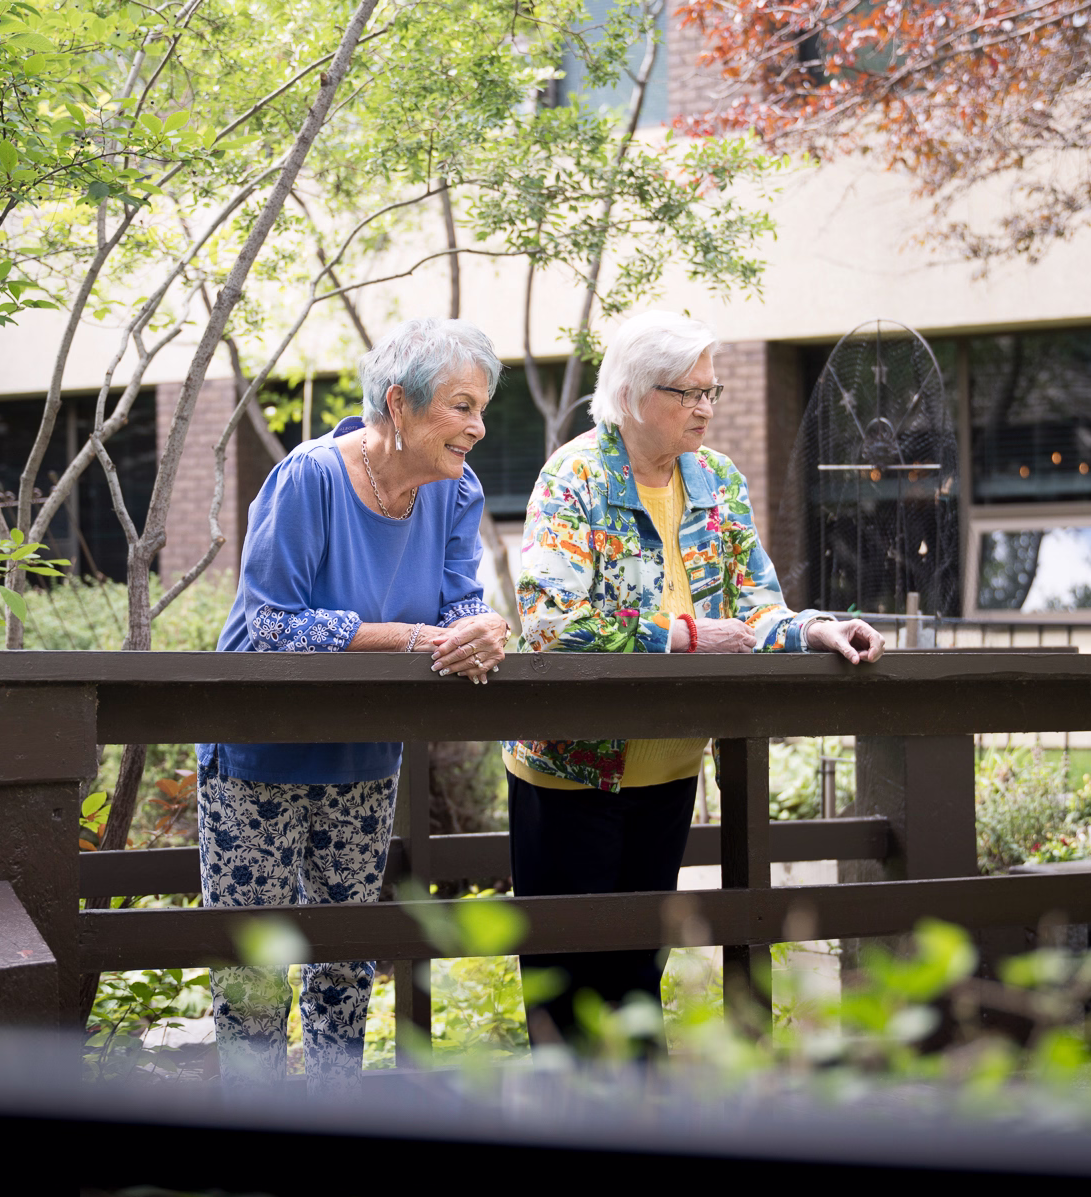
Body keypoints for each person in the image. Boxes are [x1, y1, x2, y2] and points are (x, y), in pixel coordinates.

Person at [505, 310, 885, 1045]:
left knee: (639, 978)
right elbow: (551, 624)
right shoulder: (575, 477)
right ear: (632, 394)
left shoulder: (717, 479)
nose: (706, 408)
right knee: (568, 992)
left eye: (712, 392)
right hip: (572, 771)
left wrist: (814, 629)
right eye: (689, 393)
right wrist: (680, 636)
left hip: (670, 768)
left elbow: (755, 606)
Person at [197, 318, 511, 1090]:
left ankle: (337, 1129)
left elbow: (459, 606)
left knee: (346, 966)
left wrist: (483, 628)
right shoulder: (310, 478)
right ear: (399, 405)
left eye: (481, 409)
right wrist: (413, 637)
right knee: (254, 974)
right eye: (462, 407)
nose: (478, 427)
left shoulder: (457, 491)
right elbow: (274, 626)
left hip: (366, 754)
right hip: (258, 751)